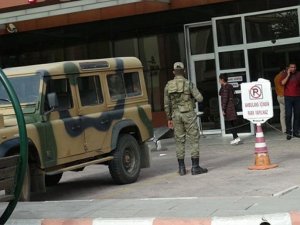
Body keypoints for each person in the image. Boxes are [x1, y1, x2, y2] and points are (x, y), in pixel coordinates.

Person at [164, 62, 207, 176]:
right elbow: (200, 98)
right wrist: (192, 99)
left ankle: (182, 168)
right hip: (188, 114)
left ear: (173, 72)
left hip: (175, 115)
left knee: (179, 140)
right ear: (184, 71)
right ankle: (195, 167)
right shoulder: (188, 84)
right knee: (193, 139)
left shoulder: (168, 85)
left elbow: (166, 104)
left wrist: (169, 118)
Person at [219, 74, 241, 145]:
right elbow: (220, 93)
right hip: (231, 107)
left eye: (219, 80)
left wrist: (223, 109)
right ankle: (236, 138)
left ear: (222, 80)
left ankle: (236, 137)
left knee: (230, 124)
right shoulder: (228, 86)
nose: (219, 81)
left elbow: (225, 99)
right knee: (232, 123)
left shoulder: (226, 88)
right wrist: (222, 85)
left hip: (228, 108)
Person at [280, 62, 300, 140]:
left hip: (297, 97)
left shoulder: (298, 74)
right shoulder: (285, 74)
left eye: (294, 67)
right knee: (288, 115)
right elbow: (282, 83)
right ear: (289, 68)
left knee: (297, 115)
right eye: (291, 67)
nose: (293, 69)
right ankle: (289, 132)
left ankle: (296, 132)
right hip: (288, 97)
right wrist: (288, 75)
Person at [274, 67, 286, 133]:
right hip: (285, 96)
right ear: (283, 70)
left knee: (282, 114)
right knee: (291, 112)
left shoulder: (276, 77)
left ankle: (284, 130)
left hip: (279, 97)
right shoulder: (283, 77)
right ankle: (292, 128)